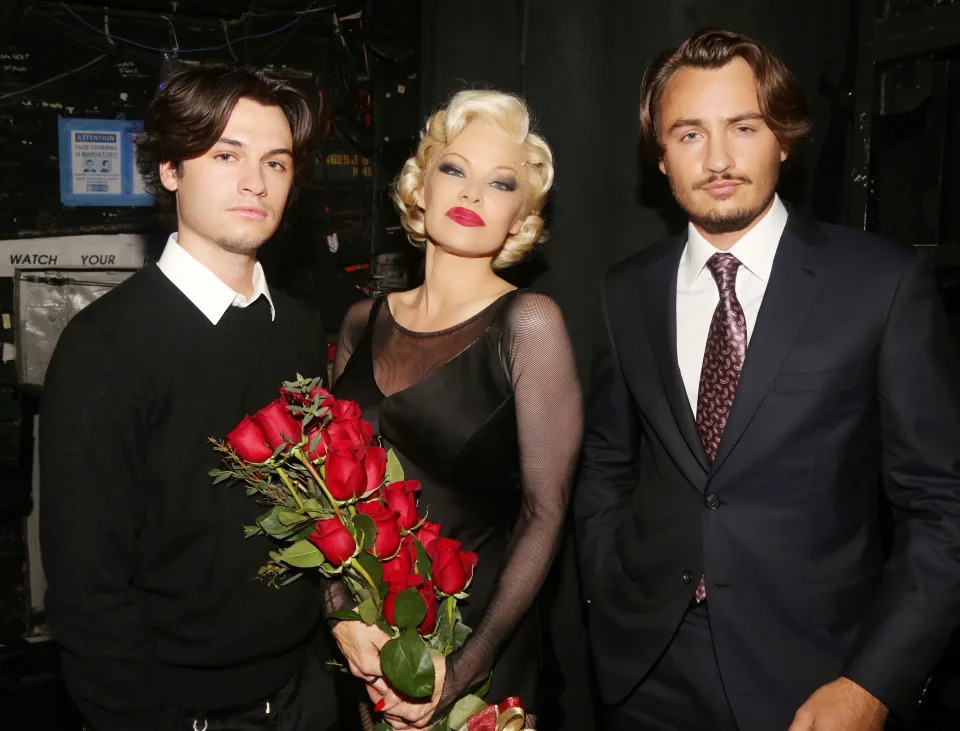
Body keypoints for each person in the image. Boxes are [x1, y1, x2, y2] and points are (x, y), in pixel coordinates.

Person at [575, 28, 960, 731]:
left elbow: (942, 507)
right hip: (645, 671)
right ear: (660, 158)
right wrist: (609, 593)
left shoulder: (882, 282)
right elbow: (606, 463)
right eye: (688, 134)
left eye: (743, 127)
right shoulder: (625, 289)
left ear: (783, 137)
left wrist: (871, 683)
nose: (718, 159)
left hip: (815, 679)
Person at [40, 66, 338, 731]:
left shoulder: (294, 327)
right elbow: (90, 597)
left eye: (277, 162)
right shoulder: (105, 347)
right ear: (171, 167)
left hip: (305, 692)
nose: (255, 182)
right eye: (225, 154)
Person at [329, 89, 583, 730]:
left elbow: (544, 514)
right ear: (420, 188)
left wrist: (465, 667)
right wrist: (340, 614)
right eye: (454, 170)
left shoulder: (528, 325)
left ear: (519, 217)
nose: (471, 195)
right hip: (369, 646)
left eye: (500, 184)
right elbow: (330, 494)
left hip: (480, 655)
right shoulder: (364, 321)